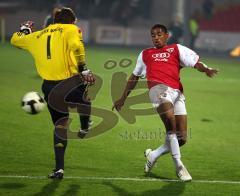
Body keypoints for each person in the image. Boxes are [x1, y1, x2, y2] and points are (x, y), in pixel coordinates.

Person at [112, 24, 218, 181]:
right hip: (158, 91)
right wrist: (123, 98)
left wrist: (207, 69)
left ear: (167, 35)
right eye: (153, 35)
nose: (156, 37)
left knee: (181, 138)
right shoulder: (146, 54)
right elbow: (134, 76)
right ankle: (179, 166)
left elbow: (195, 63)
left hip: (176, 93)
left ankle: (153, 154)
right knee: (169, 120)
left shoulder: (176, 49)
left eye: (159, 34)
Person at [11, 7, 95, 179]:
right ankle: (85, 126)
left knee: (61, 125)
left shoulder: (38, 35)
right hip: (70, 81)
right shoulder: (71, 29)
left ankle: (59, 169)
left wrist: (24, 30)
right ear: (73, 21)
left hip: (49, 87)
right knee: (85, 98)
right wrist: (84, 69)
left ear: (55, 20)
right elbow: (76, 46)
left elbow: (15, 40)